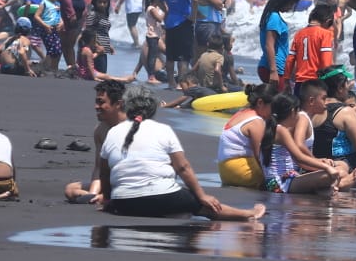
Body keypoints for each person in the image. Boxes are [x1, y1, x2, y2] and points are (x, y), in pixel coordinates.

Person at [98, 84, 265, 221]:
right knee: (201, 206)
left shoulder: (113, 132)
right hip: (160, 197)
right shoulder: (163, 130)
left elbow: (104, 173)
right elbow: (183, 167)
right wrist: (201, 195)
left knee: (177, 205)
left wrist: (107, 200)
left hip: (122, 202)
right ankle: (247, 214)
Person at [263, 91, 351, 194]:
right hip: (280, 183)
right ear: (292, 112)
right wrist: (326, 167)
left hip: (284, 179)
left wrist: (320, 162)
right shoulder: (281, 130)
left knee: (337, 170)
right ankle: (338, 186)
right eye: (298, 112)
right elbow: (299, 157)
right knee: (332, 174)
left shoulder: (273, 128)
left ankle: (328, 190)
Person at [64, 80, 129, 204]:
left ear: (118, 104)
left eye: (101, 102)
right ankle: (97, 197)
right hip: (110, 180)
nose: (96, 107)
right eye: (96, 101)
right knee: (70, 189)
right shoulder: (100, 130)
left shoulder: (133, 127)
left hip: (132, 181)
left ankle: (108, 197)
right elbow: (99, 168)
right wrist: (93, 193)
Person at [215, 83, 278, 189]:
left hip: (225, 170)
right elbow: (260, 155)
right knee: (280, 180)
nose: (274, 112)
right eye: (273, 107)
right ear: (260, 102)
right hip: (240, 171)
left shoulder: (241, 113)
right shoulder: (256, 121)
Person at [155, 0, 198, 88]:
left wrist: (166, 10)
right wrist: (194, 16)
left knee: (170, 55)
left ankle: (171, 83)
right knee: (184, 57)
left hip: (170, 22)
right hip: (184, 22)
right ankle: (182, 83)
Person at [257, 0, 301, 90]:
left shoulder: (271, 15)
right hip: (273, 68)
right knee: (282, 103)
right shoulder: (274, 18)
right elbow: (269, 45)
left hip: (275, 67)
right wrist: (273, 71)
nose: (291, 7)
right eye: (291, 3)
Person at [286, 2, 337, 91]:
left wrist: (286, 78)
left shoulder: (299, 34)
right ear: (328, 21)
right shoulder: (325, 34)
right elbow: (326, 62)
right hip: (316, 83)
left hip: (300, 83)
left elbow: (290, 59)